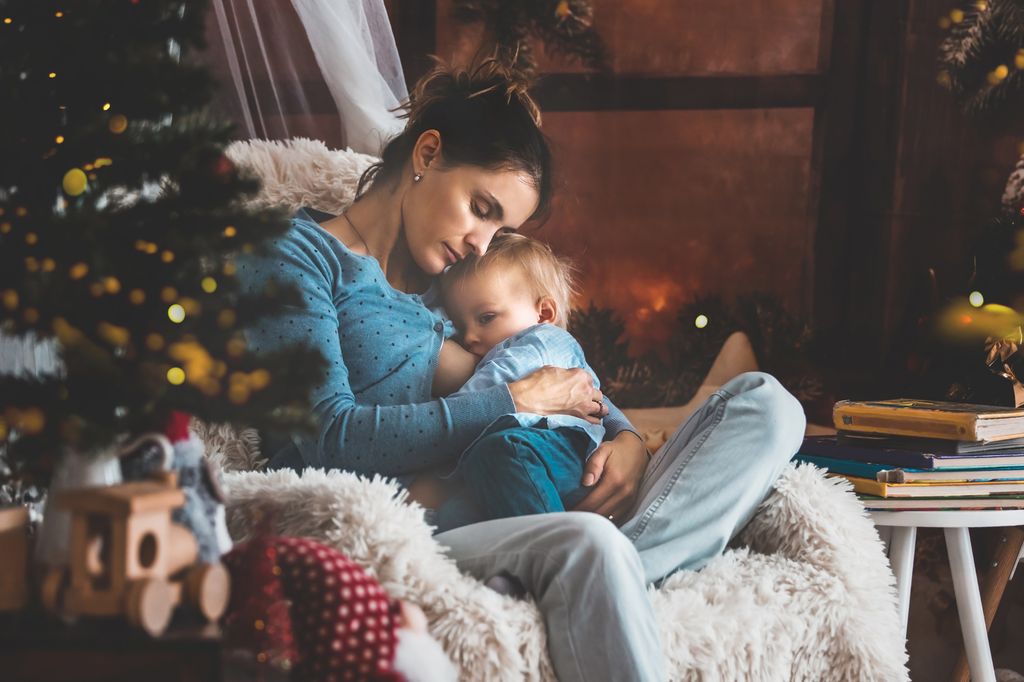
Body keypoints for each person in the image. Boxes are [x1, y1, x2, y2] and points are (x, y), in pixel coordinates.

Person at [242, 58, 806, 682]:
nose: (484, 242)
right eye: (480, 207)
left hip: (549, 484)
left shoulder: (455, 279)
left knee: (767, 404)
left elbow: (550, 364)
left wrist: (625, 440)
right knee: (585, 543)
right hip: (435, 523)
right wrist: (510, 402)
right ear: (427, 153)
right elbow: (326, 440)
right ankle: (605, 568)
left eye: (501, 227)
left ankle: (618, 569)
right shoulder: (296, 258)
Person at [432, 232, 622, 532]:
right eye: (460, 326)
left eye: (486, 318)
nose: (468, 337)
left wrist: (439, 421)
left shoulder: (543, 340)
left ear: (544, 313)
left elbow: (496, 382)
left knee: (503, 452)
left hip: (561, 453)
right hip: (522, 466)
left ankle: (558, 556)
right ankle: (505, 572)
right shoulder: (500, 345)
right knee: (454, 513)